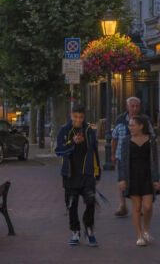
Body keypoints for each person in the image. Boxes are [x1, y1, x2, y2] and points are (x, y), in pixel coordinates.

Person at [56, 104, 101, 247]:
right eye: (75, 117)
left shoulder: (88, 130)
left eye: (81, 117)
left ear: (84, 117)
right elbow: (59, 151)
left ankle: (89, 230)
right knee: (71, 205)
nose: (78, 120)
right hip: (70, 175)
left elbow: (94, 151)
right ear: (71, 116)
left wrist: (97, 172)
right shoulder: (64, 130)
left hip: (87, 174)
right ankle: (75, 231)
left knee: (90, 202)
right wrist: (72, 143)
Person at [118, 115, 160, 246]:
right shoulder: (126, 140)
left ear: (141, 126)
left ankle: (146, 230)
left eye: (132, 125)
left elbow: (155, 161)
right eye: (129, 125)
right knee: (136, 208)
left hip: (147, 176)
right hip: (132, 177)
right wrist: (122, 179)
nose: (130, 128)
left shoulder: (151, 140)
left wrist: (156, 179)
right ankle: (139, 235)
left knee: (147, 207)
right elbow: (122, 161)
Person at [111, 96, 155, 216]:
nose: (135, 108)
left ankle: (139, 207)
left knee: (139, 181)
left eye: (137, 106)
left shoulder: (145, 119)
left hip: (139, 156)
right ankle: (122, 205)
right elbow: (114, 139)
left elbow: (152, 138)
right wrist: (113, 154)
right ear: (127, 107)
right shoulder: (120, 119)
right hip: (122, 156)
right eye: (132, 106)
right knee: (122, 180)